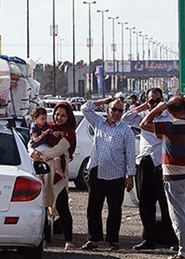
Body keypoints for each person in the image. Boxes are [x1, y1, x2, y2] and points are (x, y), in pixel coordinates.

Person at [141, 96, 185, 259]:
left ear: (169, 110)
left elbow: (143, 124)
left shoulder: (169, 127)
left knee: (179, 215)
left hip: (173, 176)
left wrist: (157, 109)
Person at [121, 87, 176, 250]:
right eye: (151, 101)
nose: (154, 104)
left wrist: (160, 109)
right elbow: (125, 119)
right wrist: (142, 107)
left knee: (166, 204)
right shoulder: (143, 116)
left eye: (157, 101)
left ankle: (172, 238)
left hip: (162, 163)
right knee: (145, 204)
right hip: (145, 163)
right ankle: (149, 239)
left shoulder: (168, 117)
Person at [80, 97, 136, 252]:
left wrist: (130, 175)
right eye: (114, 109)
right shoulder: (99, 122)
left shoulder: (126, 130)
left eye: (120, 110)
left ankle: (113, 241)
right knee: (93, 208)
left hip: (116, 174)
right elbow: (85, 108)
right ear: (107, 110)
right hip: (97, 170)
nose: (116, 113)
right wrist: (104, 100)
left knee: (114, 209)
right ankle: (94, 239)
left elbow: (130, 155)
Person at [29, 102, 77, 251]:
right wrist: (31, 153)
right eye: (57, 114)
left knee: (62, 206)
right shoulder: (46, 127)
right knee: (43, 206)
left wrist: (40, 156)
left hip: (58, 175)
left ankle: (68, 240)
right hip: (43, 173)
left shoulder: (69, 133)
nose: (59, 117)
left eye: (63, 115)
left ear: (68, 117)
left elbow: (58, 150)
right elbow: (31, 142)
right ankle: (44, 239)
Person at [27, 107, 64, 182]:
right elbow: (35, 139)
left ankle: (57, 170)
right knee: (55, 154)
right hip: (37, 146)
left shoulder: (44, 125)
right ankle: (58, 170)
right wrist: (43, 135)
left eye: (45, 118)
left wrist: (53, 133)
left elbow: (49, 130)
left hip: (43, 145)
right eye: (42, 118)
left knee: (55, 154)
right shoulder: (34, 127)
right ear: (35, 118)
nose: (44, 120)